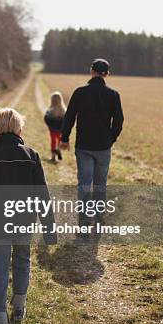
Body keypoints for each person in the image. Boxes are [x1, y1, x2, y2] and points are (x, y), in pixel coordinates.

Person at [0, 108, 56, 324]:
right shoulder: (31, 155)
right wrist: (49, 229)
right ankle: (19, 306)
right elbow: (42, 194)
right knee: (21, 260)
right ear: (19, 128)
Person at [60, 58, 124, 214]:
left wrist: (64, 138)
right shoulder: (113, 95)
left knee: (84, 183)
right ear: (107, 74)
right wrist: (111, 138)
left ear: (91, 71)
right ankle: (98, 216)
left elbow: (69, 117)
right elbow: (119, 120)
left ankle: (84, 217)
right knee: (100, 184)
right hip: (103, 146)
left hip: (84, 146)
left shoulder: (80, 92)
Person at [44, 91, 66, 163]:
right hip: (60, 130)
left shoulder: (50, 110)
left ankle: (53, 156)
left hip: (52, 130)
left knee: (53, 142)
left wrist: (50, 125)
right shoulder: (63, 110)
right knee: (59, 141)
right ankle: (58, 150)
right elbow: (66, 120)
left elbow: (46, 119)